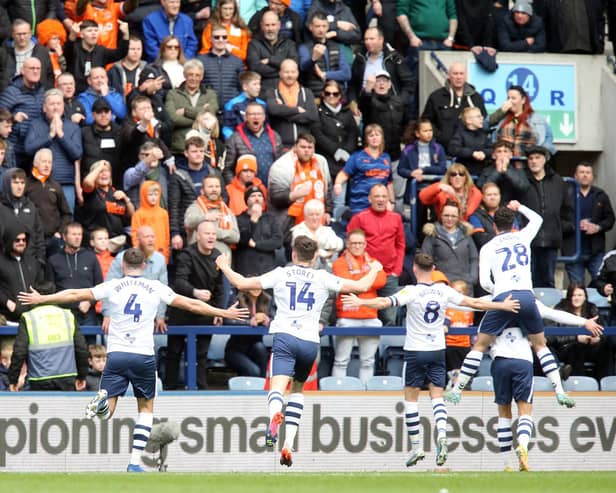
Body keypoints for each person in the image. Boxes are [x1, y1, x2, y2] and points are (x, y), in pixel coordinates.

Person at [18, 247, 248, 472]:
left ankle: (100, 405)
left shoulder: (113, 286)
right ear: (145, 266)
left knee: (108, 412)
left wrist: (43, 298)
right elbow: (191, 303)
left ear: (123, 265)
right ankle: (134, 462)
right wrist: (223, 312)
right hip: (143, 355)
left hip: (117, 354)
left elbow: (75, 294)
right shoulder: (155, 287)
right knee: (146, 408)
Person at [215, 235, 383, 467]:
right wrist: (374, 268)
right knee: (297, 389)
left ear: (293, 254)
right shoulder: (322, 276)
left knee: (277, 388)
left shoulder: (281, 273)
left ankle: (274, 415)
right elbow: (362, 286)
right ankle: (288, 443)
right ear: (314, 257)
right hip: (309, 342)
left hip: (285, 337)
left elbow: (242, 284)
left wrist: (224, 265)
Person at [341, 252, 519, 467]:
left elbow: (384, 302)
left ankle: (417, 446)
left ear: (415, 268)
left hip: (416, 350)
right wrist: (502, 306)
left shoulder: (412, 291)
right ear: (433, 269)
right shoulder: (444, 290)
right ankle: (442, 436)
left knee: (411, 398)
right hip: (437, 349)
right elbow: (473, 303)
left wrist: (360, 301)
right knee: (437, 396)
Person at [445, 201, 579, 407]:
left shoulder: (488, 247)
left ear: (494, 227)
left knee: (479, 345)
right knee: (540, 345)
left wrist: (497, 290)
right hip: (527, 296)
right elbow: (538, 219)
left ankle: (457, 389)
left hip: (503, 298)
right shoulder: (522, 236)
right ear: (514, 224)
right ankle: (560, 390)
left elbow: (483, 282)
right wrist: (520, 206)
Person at [489, 298, 603, 472]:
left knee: (504, 413)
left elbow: (467, 302)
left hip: (500, 361)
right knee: (525, 410)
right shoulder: (531, 302)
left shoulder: (495, 300)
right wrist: (584, 321)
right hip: (522, 361)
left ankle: (506, 464)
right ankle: (523, 447)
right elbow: (556, 314)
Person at [166, 220, 225, 390]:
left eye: (213, 233)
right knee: (174, 352)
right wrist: (195, 292)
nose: (211, 237)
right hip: (182, 310)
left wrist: (219, 312)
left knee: (202, 353)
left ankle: (202, 389)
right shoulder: (187, 255)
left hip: (205, 312)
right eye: (207, 233)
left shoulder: (218, 256)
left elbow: (220, 288)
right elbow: (179, 282)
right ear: (198, 236)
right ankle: (170, 388)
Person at [8, 282, 88, 391]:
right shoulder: (68, 315)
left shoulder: (28, 317)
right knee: (67, 408)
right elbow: (81, 348)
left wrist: (13, 379)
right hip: (67, 377)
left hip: (39, 378)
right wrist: (82, 376)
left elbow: (19, 351)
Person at [331, 228, 387, 385]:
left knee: (368, 361)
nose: (357, 246)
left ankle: (366, 395)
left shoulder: (373, 262)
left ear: (365, 244)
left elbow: (381, 281)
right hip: (347, 318)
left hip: (370, 317)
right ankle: (337, 394)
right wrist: (367, 278)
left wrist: (357, 280)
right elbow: (346, 282)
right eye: (353, 243)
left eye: (360, 243)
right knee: (341, 360)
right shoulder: (340, 263)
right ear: (347, 244)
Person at [347, 184, 405, 327]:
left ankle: (387, 349)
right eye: (377, 196)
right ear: (369, 199)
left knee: (389, 318)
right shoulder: (359, 218)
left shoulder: (396, 218)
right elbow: (350, 245)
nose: (380, 200)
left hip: (389, 274)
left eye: (384, 196)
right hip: (365, 275)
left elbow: (400, 244)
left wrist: (397, 270)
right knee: (364, 315)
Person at [521, 146, 574, 288]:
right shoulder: (522, 181)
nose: (534, 161)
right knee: (527, 282)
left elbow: (567, 209)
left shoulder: (558, 181)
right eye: (531, 158)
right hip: (528, 240)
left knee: (548, 284)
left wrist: (559, 228)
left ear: (545, 160)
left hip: (551, 241)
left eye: (537, 158)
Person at [24, 88, 83, 209]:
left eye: (59, 104)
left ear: (63, 106)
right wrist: (50, 135)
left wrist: (61, 135)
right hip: (40, 182)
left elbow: (77, 153)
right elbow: (28, 149)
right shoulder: (36, 125)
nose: (55, 107)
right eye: (52, 104)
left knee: (66, 220)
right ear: (45, 108)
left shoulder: (73, 127)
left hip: (65, 183)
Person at [267, 133, 332, 236]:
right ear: (295, 147)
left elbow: (327, 188)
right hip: (291, 222)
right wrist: (295, 195)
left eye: (310, 147)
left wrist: (328, 211)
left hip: (317, 220)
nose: (306, 150)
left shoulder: (321, 161)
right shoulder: (281, 166)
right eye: (303, 147)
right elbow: (275, 198)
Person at [563, 163, 615, 286]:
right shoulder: (566, 195)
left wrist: (598, 227)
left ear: (592, 176)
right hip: (573, 250)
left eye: (588, 172)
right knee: (577, 287)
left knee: (600, 284)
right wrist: (576, 226)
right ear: (575, 176)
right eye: (582, 172)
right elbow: (559, 220)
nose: (585, 175)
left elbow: (610, 219)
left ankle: (592, 305)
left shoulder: (600, 195)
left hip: (595, 250)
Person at [550, 283, 613, 380]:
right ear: (569, 297)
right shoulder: (560, 309)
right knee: (576, 348)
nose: (576, 298)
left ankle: (604, 382)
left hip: (590, 346)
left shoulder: (592, 308)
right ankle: (579, 383)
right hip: (567, 348)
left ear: (585, 297)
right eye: (573, 295)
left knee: (606, 348)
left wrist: (598, 338)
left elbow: (602, 329)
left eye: (579, 295)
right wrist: (576, 338)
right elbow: (555, 337)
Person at [421, 61, 486, 151]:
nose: (458, 77)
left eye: (461, 74)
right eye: (455, 74)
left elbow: (483, 121)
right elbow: (426, 121)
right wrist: (440, 136)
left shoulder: (476, 98)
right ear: (449, 75)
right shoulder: (436, 97)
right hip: (443, 151)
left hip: (469, 153)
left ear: (466, 76)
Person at [333, 123, 394, 217]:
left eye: (377, 135)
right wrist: (338, 184)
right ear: (366, 138)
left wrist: (391, 202)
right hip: (360, 205)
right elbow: (344, 174)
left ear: (382, 137)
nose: (374, 138)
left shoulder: (386, 158)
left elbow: (389, 182)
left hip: (380, 204)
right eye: (371, 135)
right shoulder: (357, 157)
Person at [421, 201, 479, 293]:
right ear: (441, 215)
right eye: (446, 215)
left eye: (453, 216)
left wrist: (472, 277)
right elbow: (425, 260)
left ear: (458, 217)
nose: (449, 219)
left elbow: (474, 258)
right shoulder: (432, 234)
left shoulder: (466, 234)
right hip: (442, 286)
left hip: (465, 285)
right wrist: (435, 280)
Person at [166, 58, 219, 155]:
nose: (194, 78)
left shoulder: (210, 94)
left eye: (197, 75)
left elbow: (212, 111)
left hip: (204, 149)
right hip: (180, 148)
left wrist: (186, 111)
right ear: (184, 75)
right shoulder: (172, 94)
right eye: (190, 74)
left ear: (202, 76)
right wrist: (201, 119)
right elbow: (172, 119)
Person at [25, 148, 72, 256]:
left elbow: (67, 214)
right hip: (32, 239)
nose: (47, 165)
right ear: (35, 163)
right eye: (44, 161)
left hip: (53, 239)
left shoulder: (56, 186)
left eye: (49, 162)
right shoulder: (26, 184)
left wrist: (60, 232)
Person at [0, 57, 45, 170]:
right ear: (22, 70)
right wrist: (13, 119)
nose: (35, 71)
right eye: (31, 68)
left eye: (38, 69)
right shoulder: (12, 91)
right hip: (15, 148)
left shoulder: (42, 91)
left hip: (35, 147)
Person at [224, 101, 283, 185]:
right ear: (245, 117)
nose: (256, 117)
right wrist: (237, 188)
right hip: (247, 192)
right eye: (252, 114)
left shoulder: (275, 136)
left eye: (259, 114)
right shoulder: (235, 138)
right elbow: (227, 169)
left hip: (272, 188)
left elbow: (281, 164)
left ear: (264, 117)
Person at [265, 58, 319, 150]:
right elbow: (273, 110)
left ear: (297, 73)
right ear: (280, 73)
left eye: (293, 72)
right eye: (286, 72)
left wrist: (283, 112)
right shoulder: (272, 92)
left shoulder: (307, 92)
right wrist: (297, 110)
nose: (290, 75)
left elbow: (312, 116)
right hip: (281, 146)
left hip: (304, 146)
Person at [64, 19, 129, 94]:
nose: (93, 33)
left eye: (96, 30)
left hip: (97, 93)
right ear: (81, 34)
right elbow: (67, 50)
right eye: (89, 31)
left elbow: (120, 53)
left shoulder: (101, 51)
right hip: (76, 94)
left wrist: (126, 35)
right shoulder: (74, 48)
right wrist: (73, 35)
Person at [488, 85, 555, 157]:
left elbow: (548, 137)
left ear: (523, 100)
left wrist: (541, 154)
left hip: (527, 164)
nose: (510, 102)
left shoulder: (536, 119)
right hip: (505, 164)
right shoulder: (501, 118)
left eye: (513, 98)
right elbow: (485, 125)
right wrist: (501, 111)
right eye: (508, 98)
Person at [310, 80, 358, 180]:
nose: (331, 96)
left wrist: (347, 151)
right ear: (323, 94)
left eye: (335, 94)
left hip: (346, 158)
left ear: (340, 95)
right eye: (328, 93)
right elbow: (317, 134)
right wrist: (335, 150)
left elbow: (353, 133)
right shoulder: (317, 111)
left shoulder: (347, 111)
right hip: (326, 158)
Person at [298, 11, 351, 96]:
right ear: (311, 27)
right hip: (315, 95)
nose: (321, 29)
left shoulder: (337, 47)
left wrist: (325, 75)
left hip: (336, 95)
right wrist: (313, 59)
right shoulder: (304, 47)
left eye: (324, 26)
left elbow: (347, 74)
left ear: (328, 27)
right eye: (317, 26)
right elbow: (303, 67)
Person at [184, 175, 239, 256]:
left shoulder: (227, 211)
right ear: (202, 191)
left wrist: (214, 233)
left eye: (217, 187)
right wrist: (204, 218)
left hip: (222, 259)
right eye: (210, 187)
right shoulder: (195, 207)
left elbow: (236, 237)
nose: (214, 190)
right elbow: (188, 223)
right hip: (199, 258)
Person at [397, 119, 447, 208]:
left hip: (434, 187)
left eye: (430, 130)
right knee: (417, 218)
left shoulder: (438, 148)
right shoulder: (408, 150)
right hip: (415, 188)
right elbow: (400, 169)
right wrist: (411, 173)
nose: (429, 133)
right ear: (417, 133)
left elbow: (442, 168)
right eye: (425, 131)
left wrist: (423, 170)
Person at [0, 225, 45, 323]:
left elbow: (39, 284)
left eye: (24, 240)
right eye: (17, 240)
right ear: (9, 240)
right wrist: (7, 302)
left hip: (32, 319)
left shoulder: (32, 261)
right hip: (7, 320)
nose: (21, 243)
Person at [235, 184, 283, 277]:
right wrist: (253, 221)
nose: (257, 198)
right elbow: (242, 240)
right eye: (253, 196)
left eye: (259, 195)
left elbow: (278, 242)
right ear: (246, 200)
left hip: (267, 269)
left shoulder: (271, 218)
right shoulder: (238, 219)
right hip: (246, 269)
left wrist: (256, 245)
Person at [247, 9, 299, 93]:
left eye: (273, 25)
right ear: (262, 26)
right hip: (263, 91)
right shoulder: (254, 44)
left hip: (287, 91)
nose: (270, 28)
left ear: (279, 25)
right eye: (267, 25)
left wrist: (270, 60)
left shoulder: (289, 44)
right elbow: (255, 68)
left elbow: (294, 64)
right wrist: (284, 71)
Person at [225, 288, 271, 378]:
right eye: (252, 284)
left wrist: (266, 319)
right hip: (235, 349)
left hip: (255, 348)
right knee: (254, 371)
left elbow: (276, 319)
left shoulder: (267, 299)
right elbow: (227, 319)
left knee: (260, 347)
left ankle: (261, 387)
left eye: (258, 284)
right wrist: (249, 322)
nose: (256, 288)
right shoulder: (237, 299)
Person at [198, 23, 244, 110]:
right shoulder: (200, 61)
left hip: (232, 110)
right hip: (208, 109)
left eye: (224, 37)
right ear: (210, 39)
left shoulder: (237, 61)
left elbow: (242, 87)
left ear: (227, 39)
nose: (220, 40)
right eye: (216, 37)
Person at [0, 19, 55, 91]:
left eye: (24, 33)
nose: (22, 37)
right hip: (10, 96)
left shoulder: (42, 52)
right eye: (19, 34)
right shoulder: (3, 53)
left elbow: (50, 76)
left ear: (30, 33)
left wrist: (44, 93)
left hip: (37, 95)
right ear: (13, 34)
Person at [475, 140, 529, 206]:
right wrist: (497, 172)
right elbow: (482, 188)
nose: (502, 154)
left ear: (511, 155)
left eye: (505, 151)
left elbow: (523, 188)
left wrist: (506, 171)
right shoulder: (486, 170)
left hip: (512, 208)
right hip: (490, 208)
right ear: (493, 155)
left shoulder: (518, 170)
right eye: (499, 151)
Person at [131, 181, 170, 263]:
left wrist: (166, 252)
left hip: (161, 252)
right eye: (150, 195)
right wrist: (139, 253)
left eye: (156, 194)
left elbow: (167, 234)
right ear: (144, 195)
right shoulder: (138, 214)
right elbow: (135, 235)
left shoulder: (163, 213)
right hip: (144, 255)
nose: (153, 197)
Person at [447, 106, 492, 176]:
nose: (482, 118)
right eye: (478, 116)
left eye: (481, 116)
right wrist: (472, 153)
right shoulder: (460, 134)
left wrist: (484, 153)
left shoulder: (484, 134)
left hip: (482, 172)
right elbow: (453, 149)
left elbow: (491, 149)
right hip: (465, 172)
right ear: (468, 120)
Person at [222, 71, 266, 141]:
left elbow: (266, 127)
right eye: (255, 84)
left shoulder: (263, 104)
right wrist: (235, 142)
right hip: (239, 143)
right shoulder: (233, 104)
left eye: (259, 84)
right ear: (245, 87)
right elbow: (227, 128)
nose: (258, 87)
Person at [108, 35, 147, 103]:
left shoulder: (147, 69)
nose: (136, 52)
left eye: (139, 49)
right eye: (132, 49)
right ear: (125, 49)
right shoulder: (113, 70)